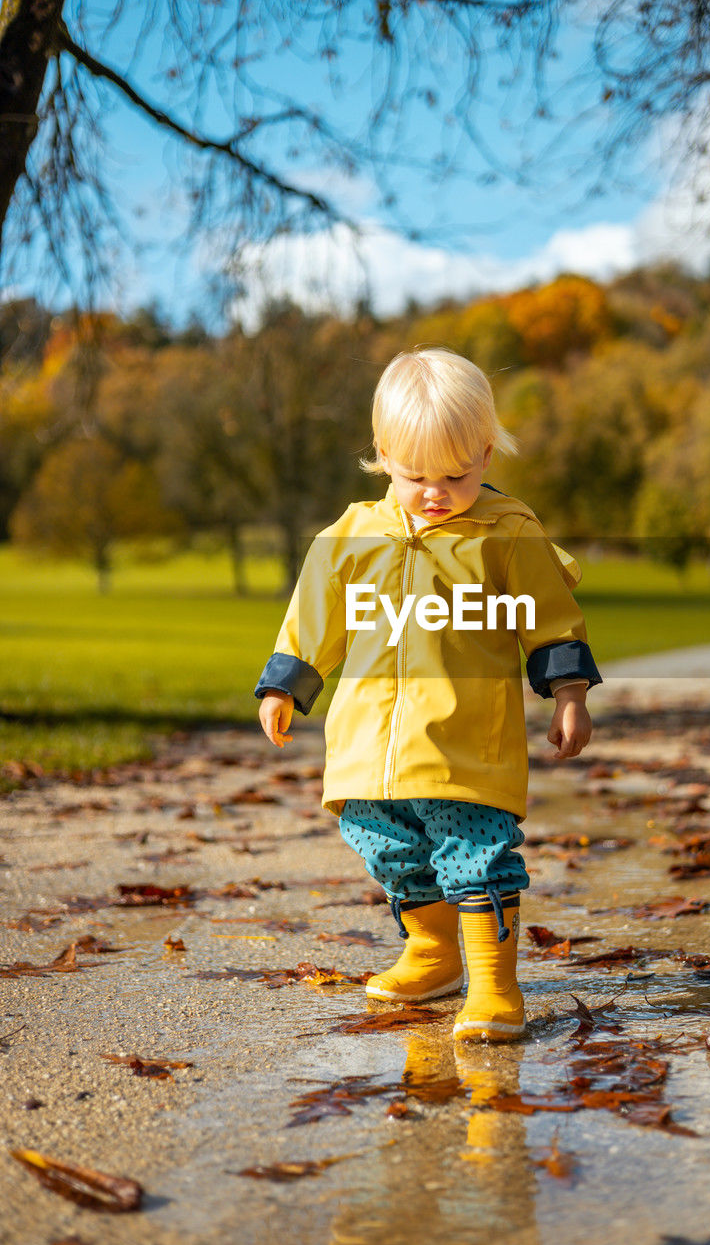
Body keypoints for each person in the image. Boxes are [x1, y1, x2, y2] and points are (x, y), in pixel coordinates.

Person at [255, 348, 601, 1042]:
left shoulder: (505, 534)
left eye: (456, 474)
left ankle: (495, 986)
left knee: (474, 857)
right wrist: (285, 686)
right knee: (389, 850)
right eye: (415, 475)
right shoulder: (349, 536)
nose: (436, 492)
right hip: (367, 749)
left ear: (484, 453)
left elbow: (549, 622)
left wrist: (567, 694)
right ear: (383, 454)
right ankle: (434, 952)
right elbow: (312, 621)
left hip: (462, 741)